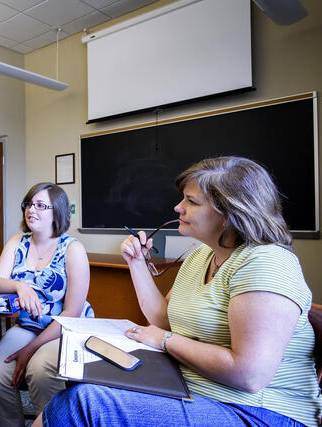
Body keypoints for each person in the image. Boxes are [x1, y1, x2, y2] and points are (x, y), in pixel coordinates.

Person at [35, 157, 322, 427]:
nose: (178, 208)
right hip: (192, 389)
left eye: (191, 201)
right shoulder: (201, 256)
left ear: (229, 214)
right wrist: (136, 264)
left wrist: (166, 341)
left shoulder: (267, 262)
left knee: (82, 404)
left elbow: (250, 374)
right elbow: (162, 318)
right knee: (86, 381)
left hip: (258, 411)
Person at [0, 182, 94, 427]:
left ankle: (53, 422)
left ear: (58, 212)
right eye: (29, 204)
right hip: (27, 326)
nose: (31, 210)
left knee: (40, 371)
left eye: (41, 205)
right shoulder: (17, 241)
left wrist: (30, 349)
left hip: (64, 329)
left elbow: (72, 313)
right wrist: (20, 286)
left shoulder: (73, 249)